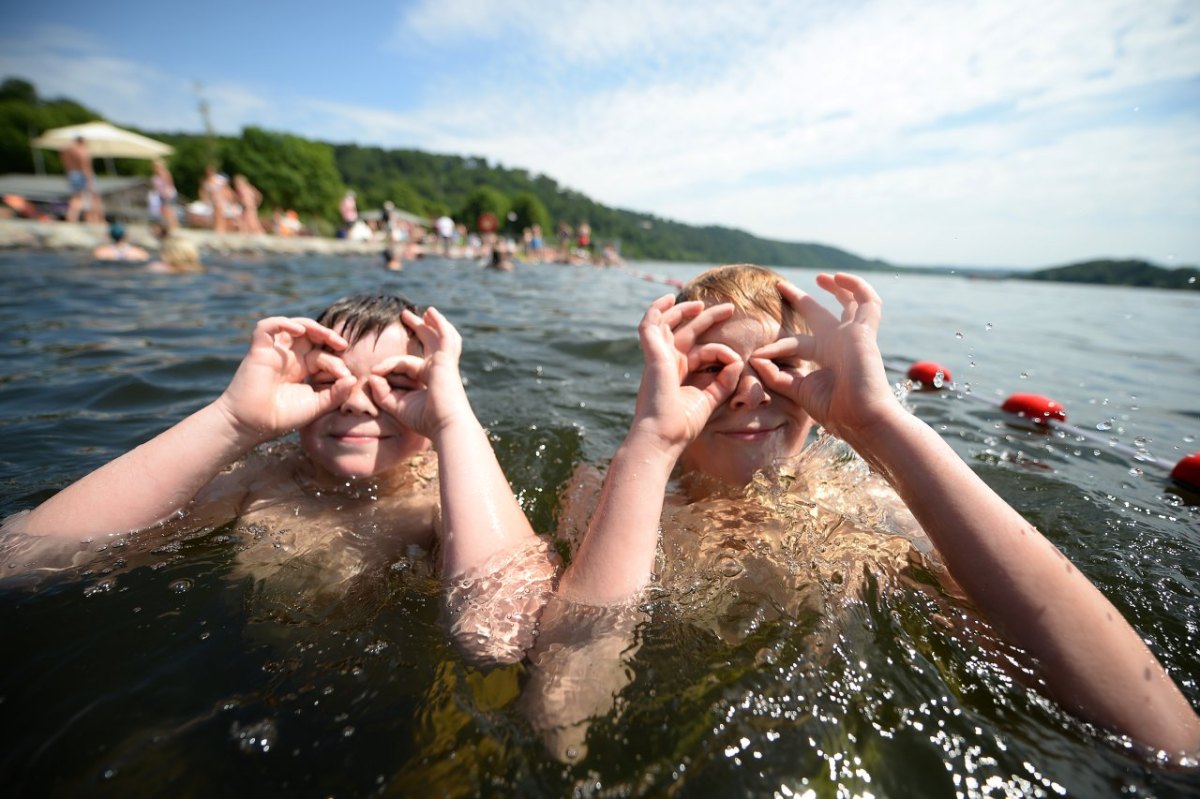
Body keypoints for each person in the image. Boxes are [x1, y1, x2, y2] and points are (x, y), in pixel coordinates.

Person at [527, 264, 1200, 762]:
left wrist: (878, 422)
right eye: (713, 368)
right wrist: (653, 443)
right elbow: (563, 718)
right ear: (662, 379)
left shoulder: (863, 505)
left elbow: (1167, 739)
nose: (747, 393)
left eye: (776, 363)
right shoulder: (613, 494)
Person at [1, 294, 555, 658]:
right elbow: (20, 561)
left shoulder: (443, 491)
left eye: (399, 386)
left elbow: (501, 635)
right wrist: (234, 420)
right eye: (329, 380)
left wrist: (453, 423)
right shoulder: (262, 476)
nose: (357, 403)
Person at [61, 136, 97, 224]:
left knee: (75, 196)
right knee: (82, 198)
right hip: (81, 174)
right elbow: (84, 164)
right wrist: (89, 179)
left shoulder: (66, 150)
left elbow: (65, 163)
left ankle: (72, 216)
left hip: (71, 173)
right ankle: (72, 215)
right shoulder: (81, 150)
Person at [149, 160, 178, 231]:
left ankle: (173, 227)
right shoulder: (155, 176)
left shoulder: (165, 173)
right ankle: (170, 226)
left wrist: (166, 194)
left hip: (167, 195)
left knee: (168, 210)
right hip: (161, 195)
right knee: (164, 211)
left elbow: (169, 185)